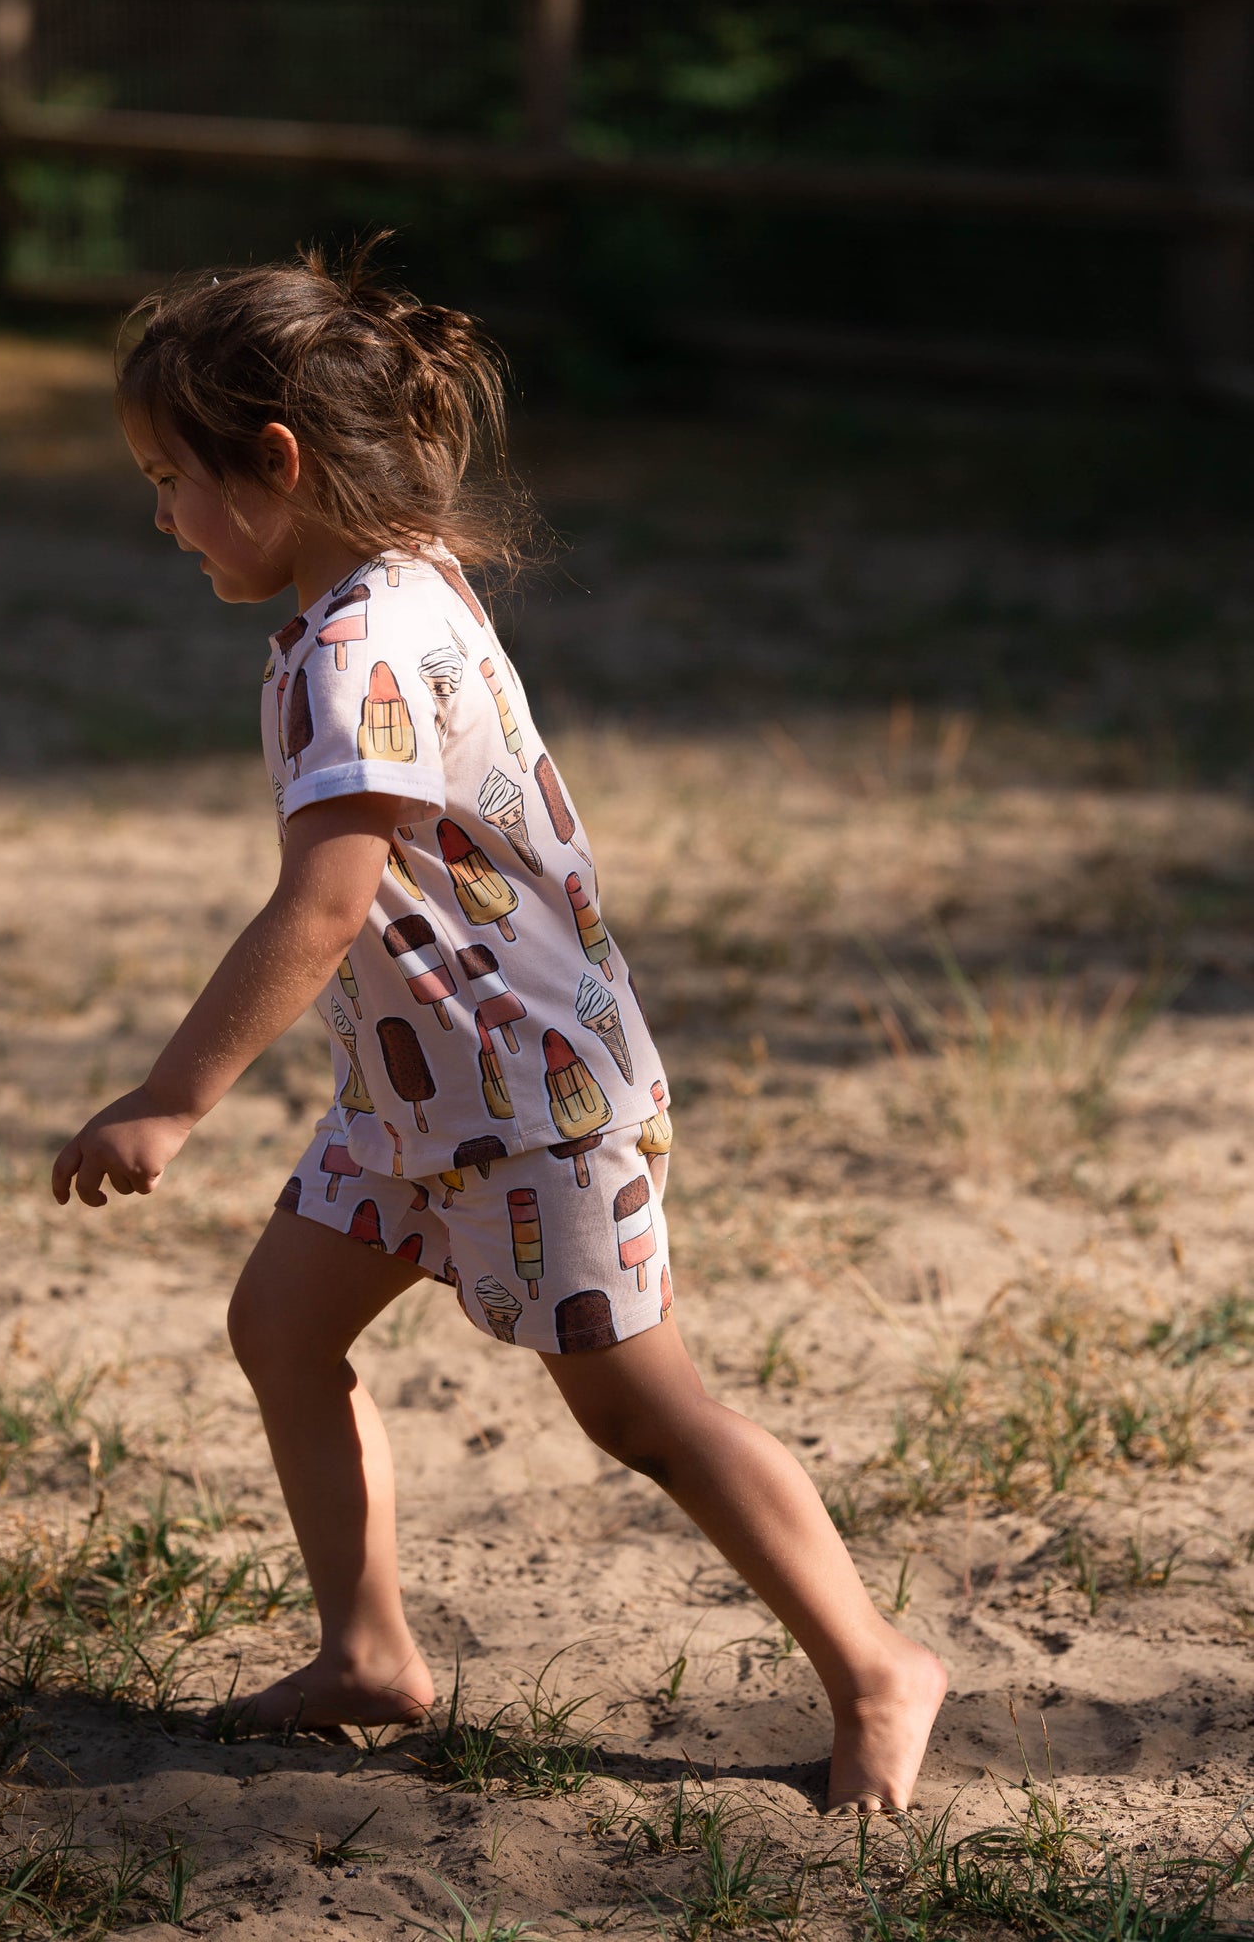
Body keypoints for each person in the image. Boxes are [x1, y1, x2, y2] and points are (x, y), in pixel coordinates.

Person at [50, 245, 945, 1815]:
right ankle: (369, 1653)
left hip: (526, 1098)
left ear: (278, 462)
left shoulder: (360, 642)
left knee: (636, 1410)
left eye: (172, 480)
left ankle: (876, 1665)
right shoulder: (391, 582)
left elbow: (321, 905)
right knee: (283, 1327)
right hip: (414, 1097)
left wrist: (170, 1096)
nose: (161, 519)